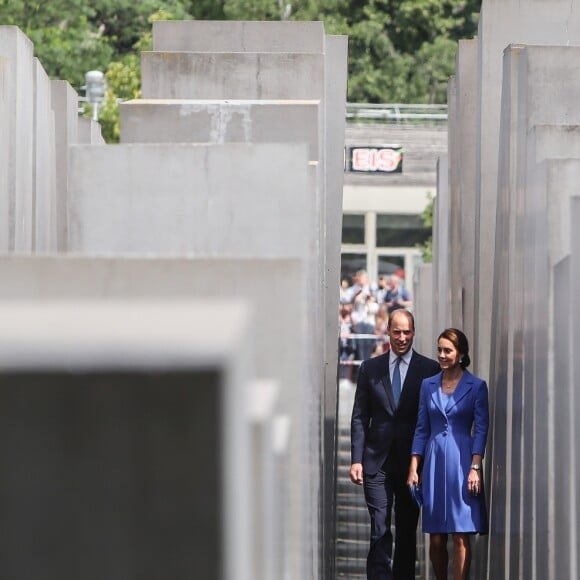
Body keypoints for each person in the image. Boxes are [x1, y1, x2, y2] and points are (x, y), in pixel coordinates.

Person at [350, 309, 440, 580]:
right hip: (376, 462)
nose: (402, 337)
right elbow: (359, 417)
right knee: (379, 527)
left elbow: (433, 419)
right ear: (388, 331)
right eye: (397, 331)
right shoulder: (370, 369)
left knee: (406, 530)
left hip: (413, 464)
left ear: (414, 333)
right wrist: (356, 459)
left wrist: (425, 462)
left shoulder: (429, 370)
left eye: (407, 332)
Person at [407, 328, 489, 580]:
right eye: (439, 350)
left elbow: (481, 428)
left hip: (463, 461)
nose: (442, 355)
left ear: (461, 353)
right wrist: (413, 466)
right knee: (436, 537)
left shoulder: (476, 386)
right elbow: (422, 428)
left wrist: (475, 467)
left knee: (461, 533)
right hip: (433, 462)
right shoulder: (427, 385)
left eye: (448, 350)